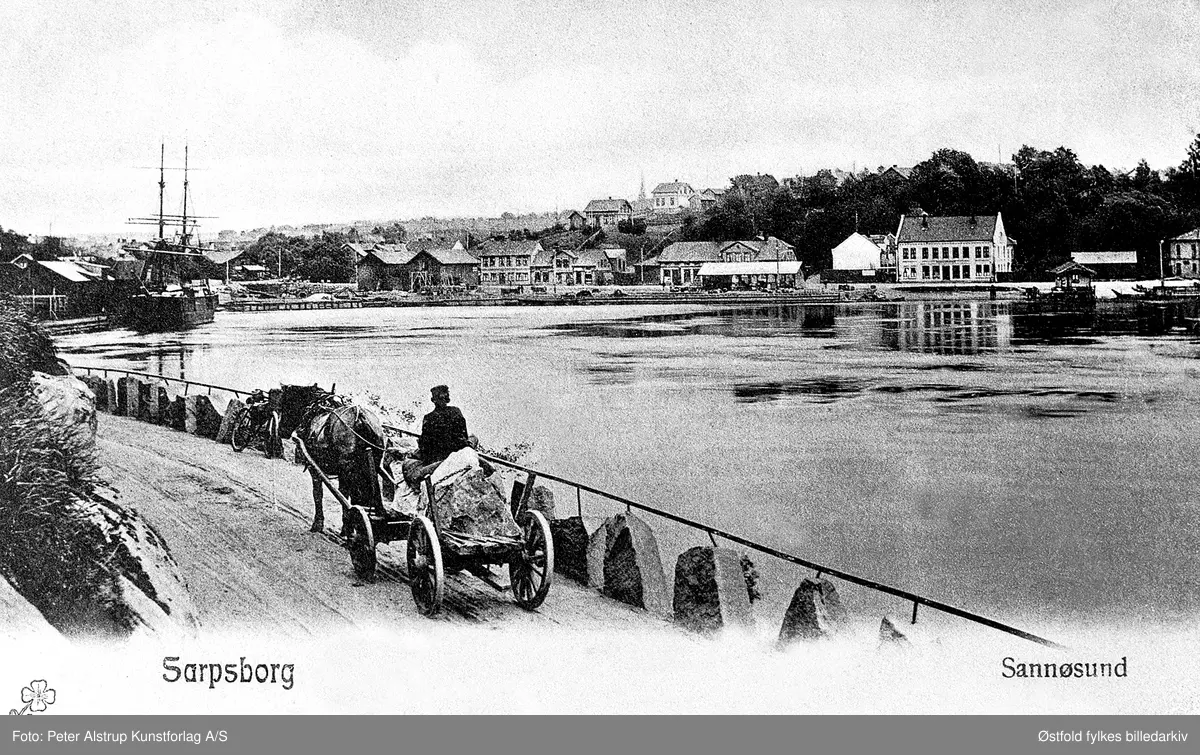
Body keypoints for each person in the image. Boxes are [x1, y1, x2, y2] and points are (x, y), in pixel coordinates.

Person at [402, 385, 470, 486]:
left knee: (410, 463)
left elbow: (424, 445)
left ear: (433, 400)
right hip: (456, 454)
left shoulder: (428, 418)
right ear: (447, 399)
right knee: (473, 439)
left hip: (435, 459)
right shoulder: (456, 411)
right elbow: (464, 435)